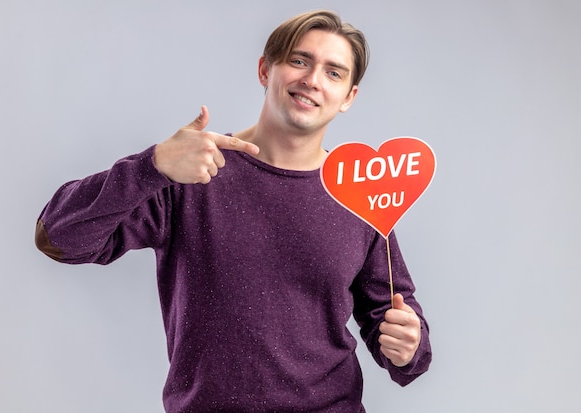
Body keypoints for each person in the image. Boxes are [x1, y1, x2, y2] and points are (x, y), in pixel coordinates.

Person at [35, 9, 432, 413]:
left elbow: (399, 331)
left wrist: (408, 347)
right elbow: (57, 238)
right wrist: (150, 167)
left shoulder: (357, 193)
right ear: (265, 70)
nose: (312, 80)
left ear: (348, 97)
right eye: (299, 60)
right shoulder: (193, 171)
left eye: (334, 72)